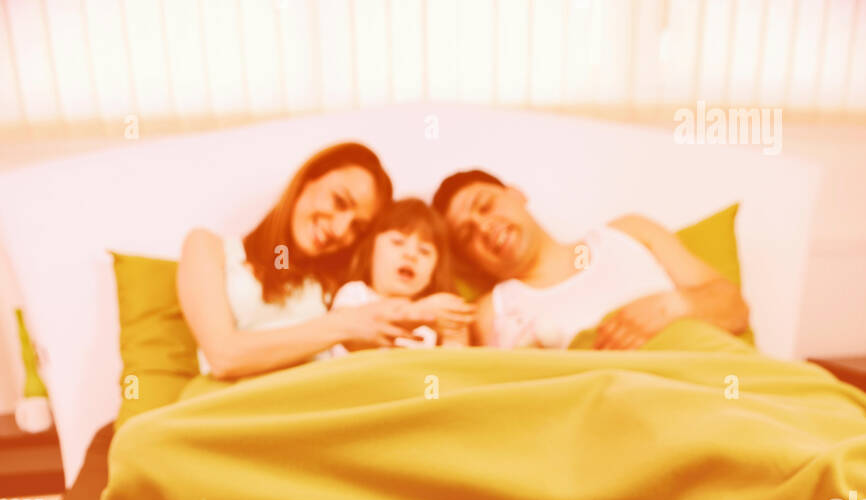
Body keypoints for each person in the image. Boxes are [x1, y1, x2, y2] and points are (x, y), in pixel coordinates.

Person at [432, 169, 750, 350]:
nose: (484, 227)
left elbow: (734, 308)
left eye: (485, 206)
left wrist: (671, 308)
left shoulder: (630, 232)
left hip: (703, 383)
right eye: (467, 235)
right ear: (472, 262)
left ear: (516, 194)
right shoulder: (492, 311)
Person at [178, 142, 420, 379]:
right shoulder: (208, 247)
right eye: (339, 201)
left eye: (357, 227)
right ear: (308, 178)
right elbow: (224, 356)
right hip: (228, 410)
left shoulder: (339, 287)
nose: (339, 229)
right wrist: (343, 325)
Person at [327, 198, 475, 354]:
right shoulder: (355, 293)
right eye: (398, 242)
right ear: (370, 251)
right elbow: (349, 336)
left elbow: (447, 368)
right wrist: (420, 313)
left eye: (424, 251)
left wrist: (455, 335)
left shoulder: (431, 324)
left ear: (433, 273)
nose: (411, 254)